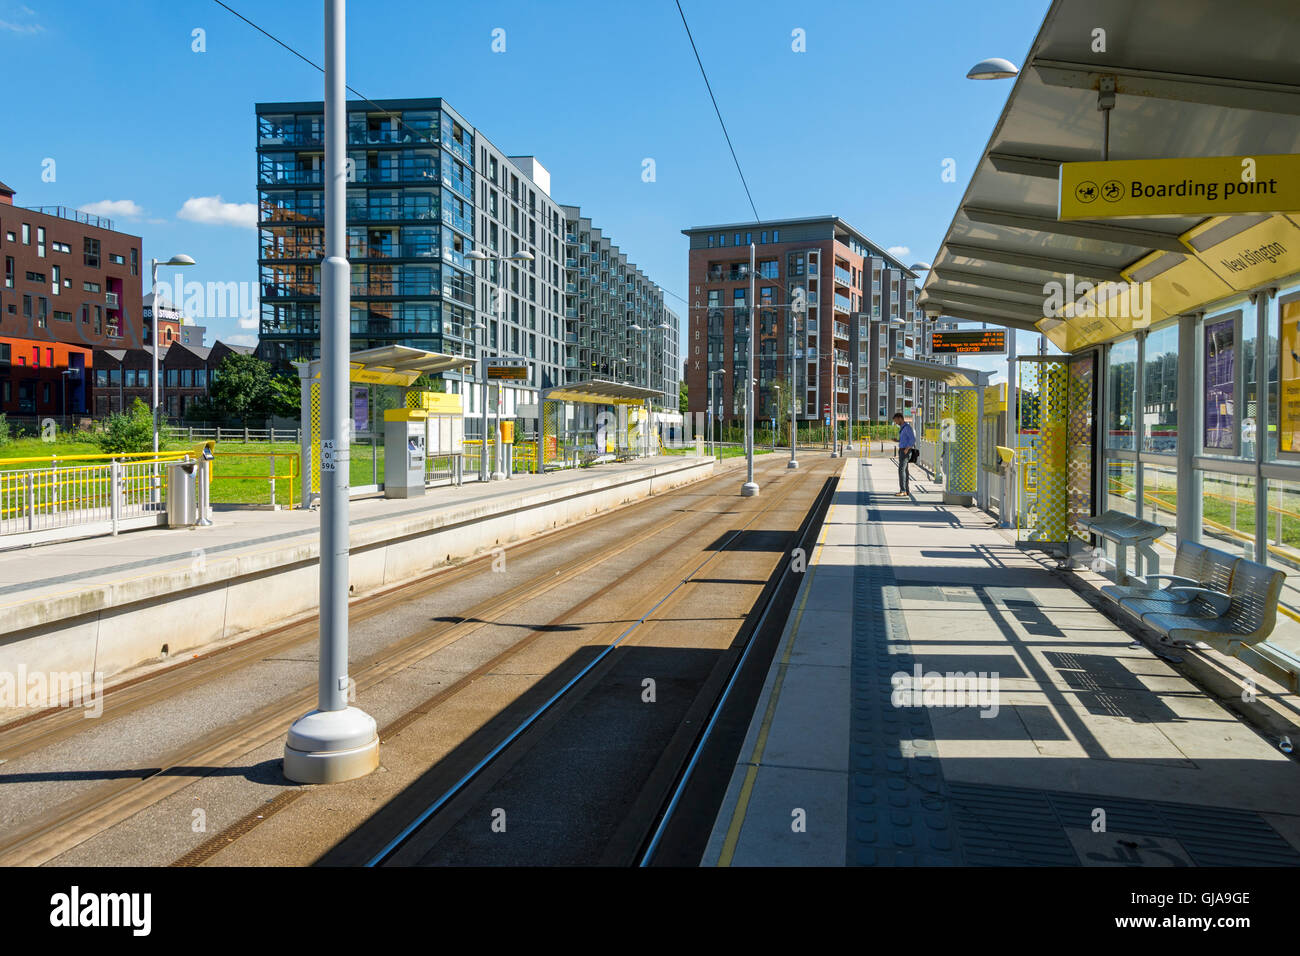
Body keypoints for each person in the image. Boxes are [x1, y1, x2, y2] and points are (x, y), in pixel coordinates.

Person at [894, 412, 915, 496]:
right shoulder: (903, 428)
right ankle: (906, 490)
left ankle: (903, 490)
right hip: (902, 450)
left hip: (905, 451)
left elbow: (912, 439)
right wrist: (897, 441)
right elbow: (906, 440)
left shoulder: (907, 428)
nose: (895, 423)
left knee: (901, 470)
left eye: (896, 421)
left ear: (900, 418)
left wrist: (907, 449)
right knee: (905, 471)